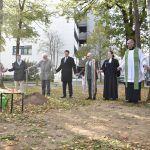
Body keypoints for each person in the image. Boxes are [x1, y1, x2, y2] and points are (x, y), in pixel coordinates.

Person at [118, 39, 147, 103]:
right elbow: (123, 61)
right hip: (128, 73)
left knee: (135, 86)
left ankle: (135, 99)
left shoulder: (138, 51)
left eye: (129, 43)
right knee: (129, 86)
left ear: (133, 43)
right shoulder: (126, 52)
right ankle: (129, 98)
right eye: (127, 43)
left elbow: (142, 59)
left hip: (135, 73)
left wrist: (144, 64)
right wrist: (120, 67)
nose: (127, 44)